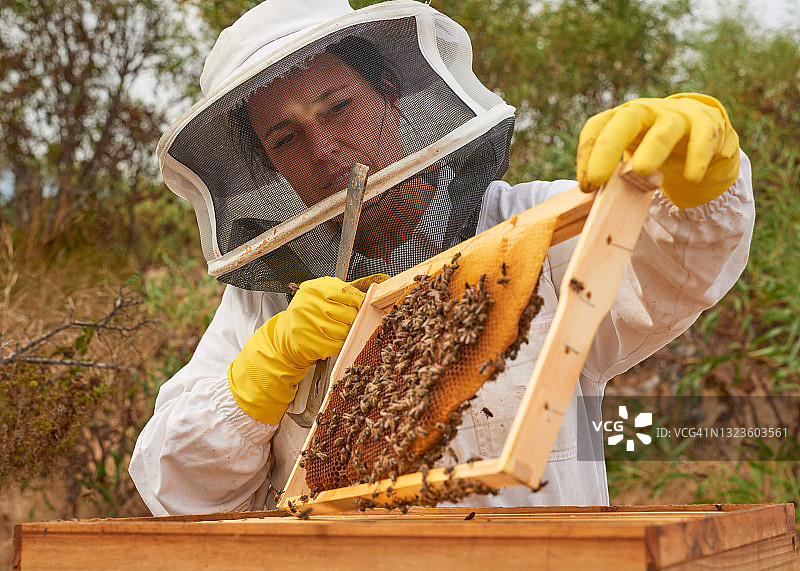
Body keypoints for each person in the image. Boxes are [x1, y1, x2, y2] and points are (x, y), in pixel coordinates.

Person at [130, 0, 754, 516]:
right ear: (270, 166)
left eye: (338, 107)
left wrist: (695, 188)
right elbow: (176, 487)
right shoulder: (262, 306)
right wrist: (262, 372)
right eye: (286, 137)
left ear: (390, 93)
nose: (323, 148)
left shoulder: (524, 225)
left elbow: (675, 262)